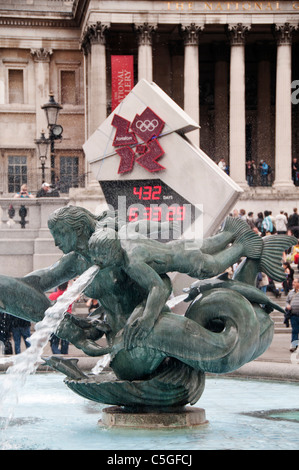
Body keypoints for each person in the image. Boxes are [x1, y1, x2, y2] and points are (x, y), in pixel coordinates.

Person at [48, 282, 73, 354]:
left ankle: (59, 358)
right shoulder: (69, 296)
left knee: (54, 343)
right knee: (65, 343)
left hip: (55, 322)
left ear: (58, 287)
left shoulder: (52, 296)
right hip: (66, 322)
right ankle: (64, 358)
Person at [285, 278, 299, 352]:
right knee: (294, 330)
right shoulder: (291, 292)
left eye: (295, 282)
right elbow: (287, 301)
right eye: (293, 282)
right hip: (293, 315)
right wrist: (287, 305)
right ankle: (294, 345)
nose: (293, 283)